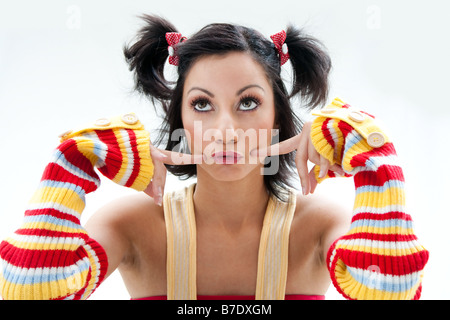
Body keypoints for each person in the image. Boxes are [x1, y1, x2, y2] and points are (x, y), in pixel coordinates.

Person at [0, 14, 429, 300]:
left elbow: (393, 289)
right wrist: (72, 159)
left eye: (247, 103)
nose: (225, 129)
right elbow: (26, 290)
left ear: (278, 114)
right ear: (180, 119)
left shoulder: (319, 224)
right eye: (202, 104)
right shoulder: (133, 223)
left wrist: (371, 151)